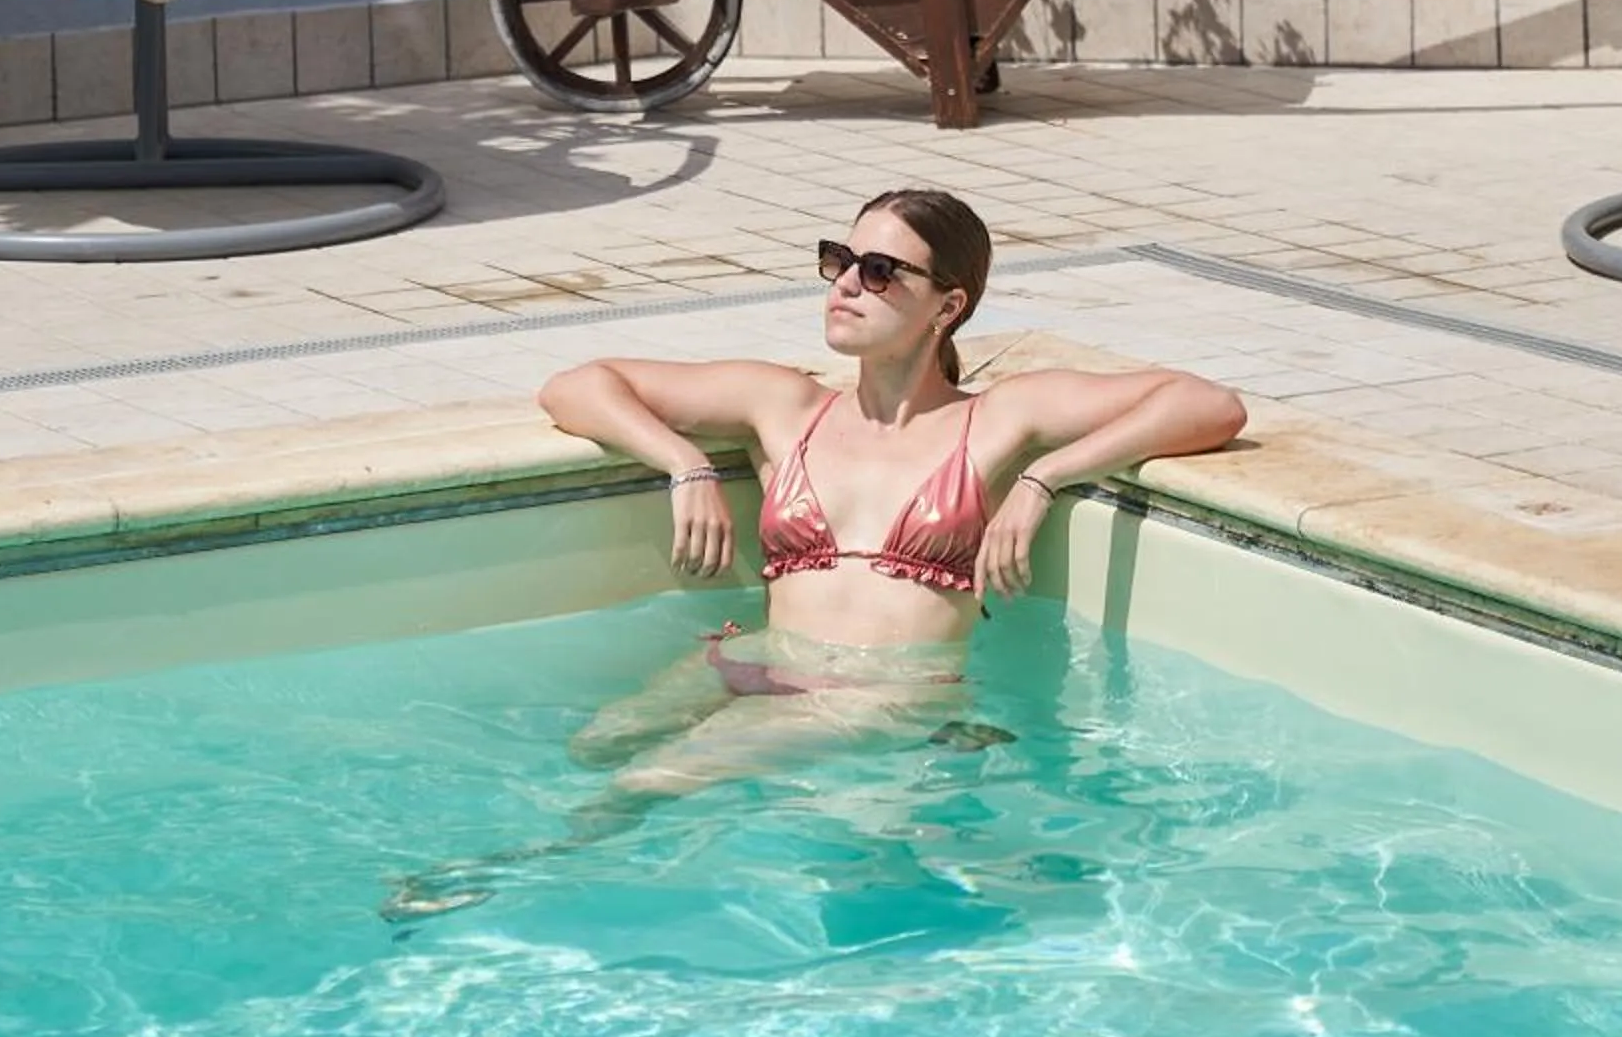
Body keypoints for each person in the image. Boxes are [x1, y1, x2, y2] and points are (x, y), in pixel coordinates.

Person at [380, 187, 1245, 921]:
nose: (847, 284)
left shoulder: (995, 419)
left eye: (881, 270)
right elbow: (576, 387)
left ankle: (501, 875)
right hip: (757, 655)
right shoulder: (786, 406)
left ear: (947, 306)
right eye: (840, 260)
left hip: (882, 690)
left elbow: (1208, 404)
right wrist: (684, 464)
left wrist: (1045, 477)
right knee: (597, 749)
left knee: (652, 780)